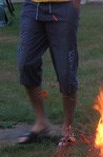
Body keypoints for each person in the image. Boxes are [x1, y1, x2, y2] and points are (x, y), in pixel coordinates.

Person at [17, 0, 80, 145]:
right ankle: (41, 122)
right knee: (26, 63)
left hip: (64, 6)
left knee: (66, 71)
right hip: (33, 6)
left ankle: (67, 129)